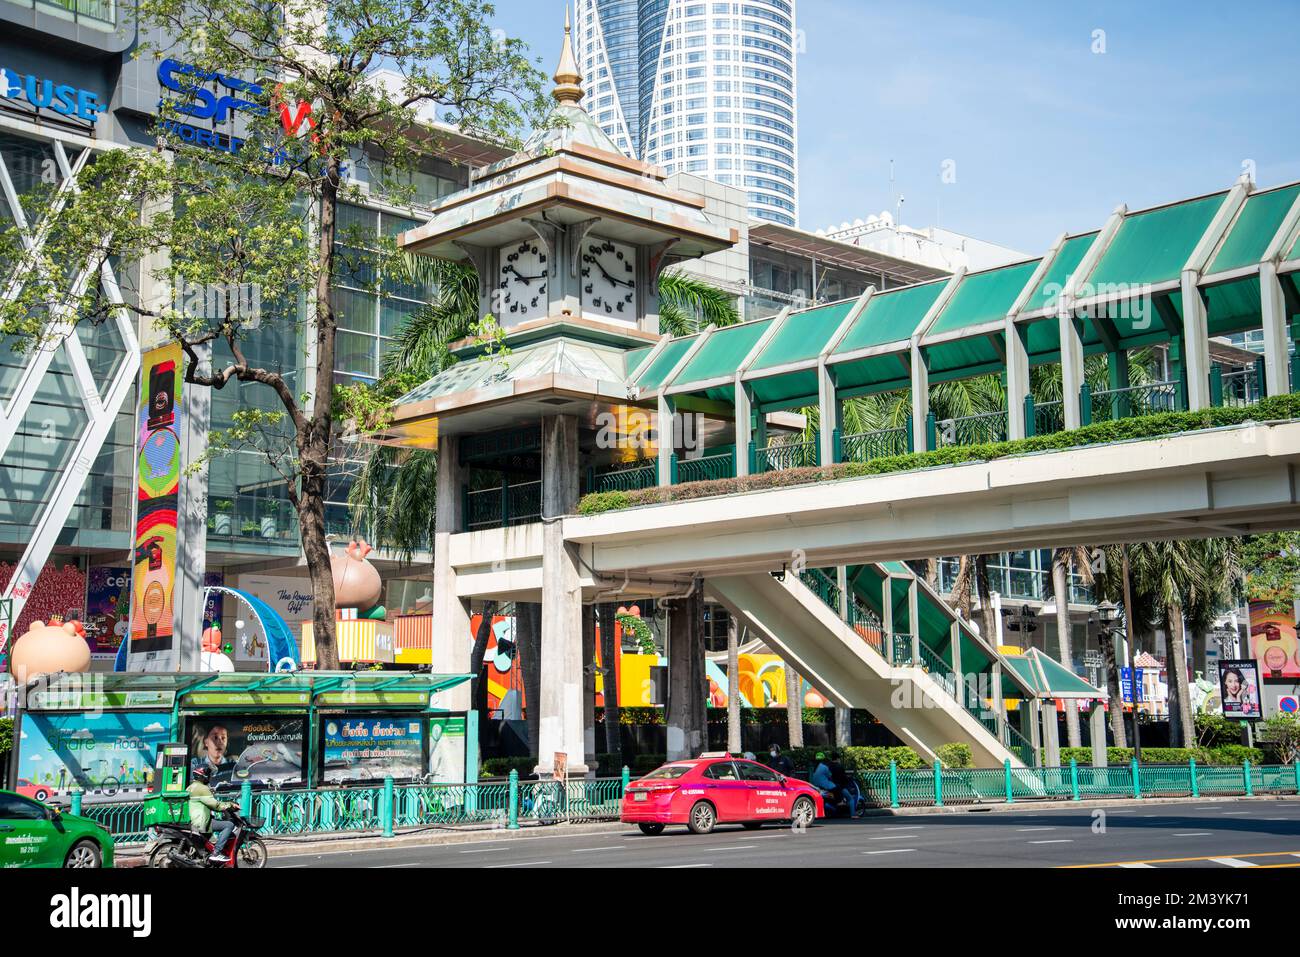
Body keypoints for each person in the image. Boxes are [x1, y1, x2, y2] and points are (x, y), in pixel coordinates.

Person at [188, 765, 236, 864]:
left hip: (191, 820)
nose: (210, 777)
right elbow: (216, 806)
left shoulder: (190, 787)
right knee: (229, 825)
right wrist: (230, 804)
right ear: (204, 776)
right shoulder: (202, 788)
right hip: (200, 821)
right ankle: (216, 853)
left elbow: (203, 801)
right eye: (209, 775)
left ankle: (205, 855)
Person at [828, 751, 860, 817]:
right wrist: (848, 779)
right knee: (850, 799)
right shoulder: (839, 767)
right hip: (839, 787)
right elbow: (843, 778)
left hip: (828, 786)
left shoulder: (828, 766)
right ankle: (853, 814)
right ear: (837, 759)